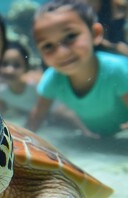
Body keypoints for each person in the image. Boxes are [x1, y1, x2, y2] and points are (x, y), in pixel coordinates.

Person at [26, 0, 128, 138]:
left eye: (70, 36)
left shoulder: (117, 70)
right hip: (96, 139)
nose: (62, 52)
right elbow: (34, 122)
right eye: (48, 46)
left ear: (95, 34)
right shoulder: (52, 79)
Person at [0, 41, 40, 115]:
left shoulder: (35, 86)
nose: (9, 70)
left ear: (26, 68)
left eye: (16, 65)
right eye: (4, 64)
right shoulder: (1, 92)